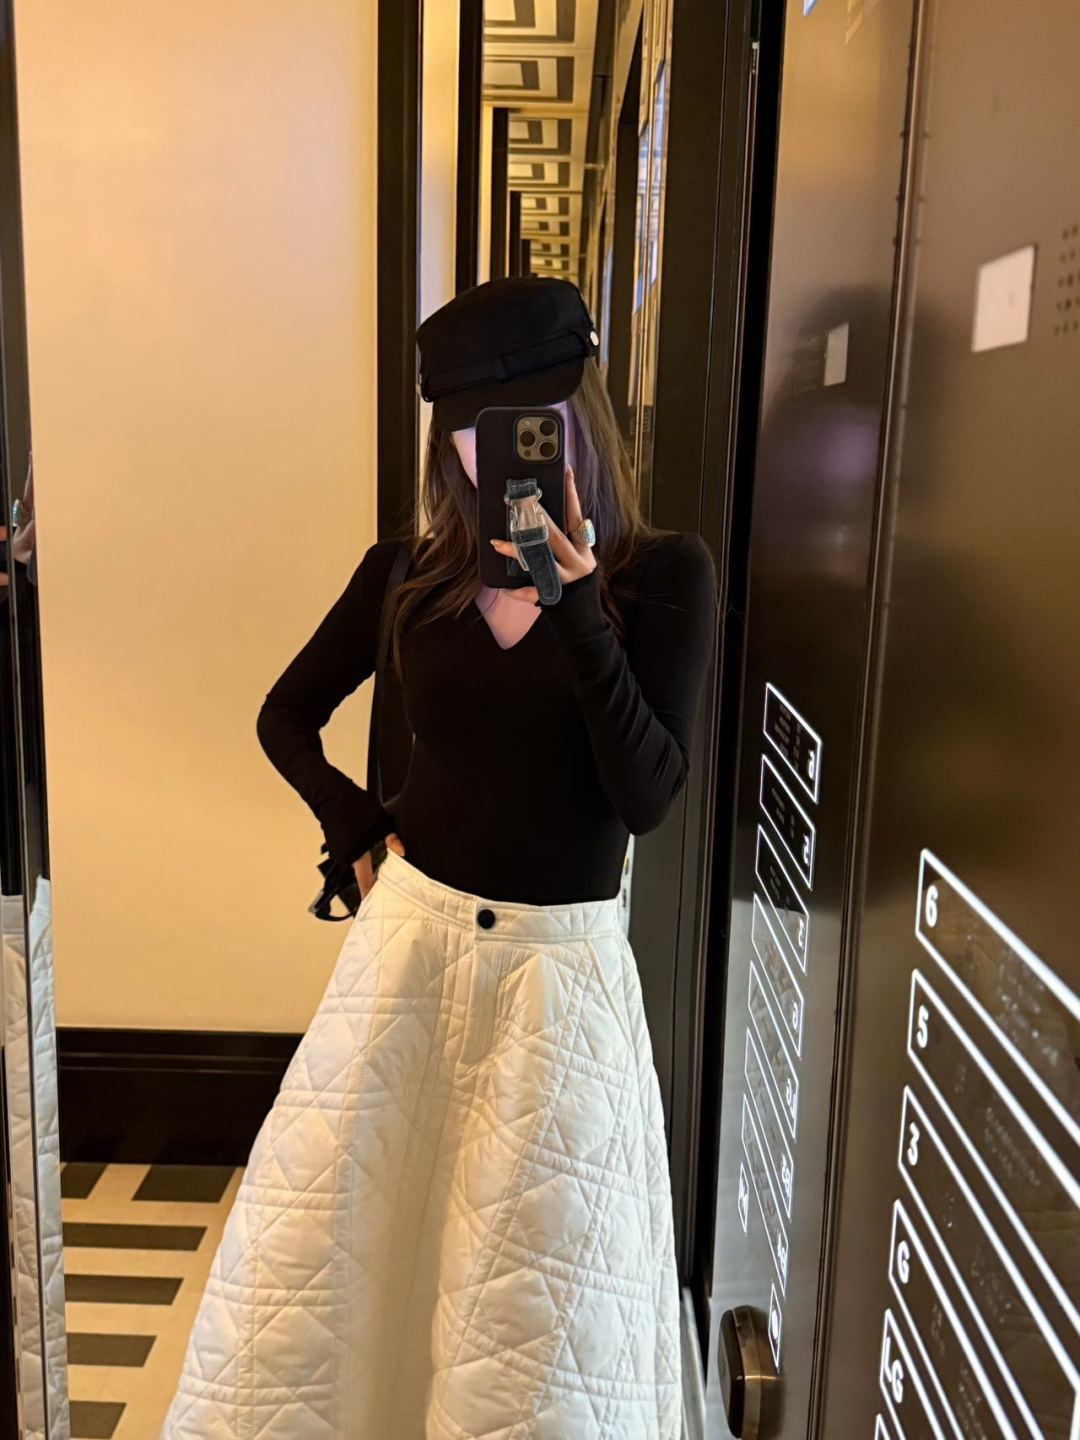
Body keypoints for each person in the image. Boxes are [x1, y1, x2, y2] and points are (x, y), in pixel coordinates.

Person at [161, 276, 717, 1440]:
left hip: (559, 982)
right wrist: (359, 830)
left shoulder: (663, 577)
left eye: (526, 427)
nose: (494, 456)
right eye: (469, 432)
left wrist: (575, 601)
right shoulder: (406, 575)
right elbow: (284, 716)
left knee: (539, 1308)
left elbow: (647, 796)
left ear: (579, 417)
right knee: (341, 1269)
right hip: (408, 959)